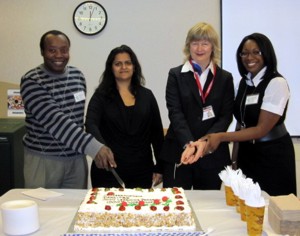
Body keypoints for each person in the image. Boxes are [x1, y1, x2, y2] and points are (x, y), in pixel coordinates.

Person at [185, 33, 297, 196]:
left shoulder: (276, 83)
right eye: (244, 53)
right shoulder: (243, 84)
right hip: (247, 153)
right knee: (246, 204)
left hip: (272, 155)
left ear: (266, 53)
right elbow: (241, 123)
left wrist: (220, 136)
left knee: (273, 206)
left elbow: (261, 130)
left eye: (256, 52)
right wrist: (234, 159)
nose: (249, 57)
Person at [20, 30, 114, 189]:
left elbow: (78, 120)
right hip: (44, 161)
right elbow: (56, 121)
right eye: (52, 50)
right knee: (43, 212)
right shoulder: (32, 81)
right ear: (42, 51)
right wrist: (95, 147)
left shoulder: (78, 76)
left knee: (75, 210)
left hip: (76, 160)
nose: (59, 55)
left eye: (64, 50)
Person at [160, 22, 235, 190]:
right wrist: (190, 144)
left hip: (212, 155)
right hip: (180, 152)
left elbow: (225, 116)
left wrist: (204, 143)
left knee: (208, 209)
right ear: (188, 46)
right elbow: (175, 112)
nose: (199, 48)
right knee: (175, 206)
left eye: (205, 43)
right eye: (195, 43)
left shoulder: (225, 78)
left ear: (213, 47)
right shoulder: (175, 75)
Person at [85, 45, 164, 189]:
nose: (123, 67)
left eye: (128, 63)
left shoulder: (147, 96)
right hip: (109, 170)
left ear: (134, 66)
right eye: (118, 64)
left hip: (142, 171)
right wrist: (101, 148)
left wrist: (160, 167)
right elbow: (90, 124)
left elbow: (157, 134)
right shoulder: (100, 96)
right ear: (111, 68)